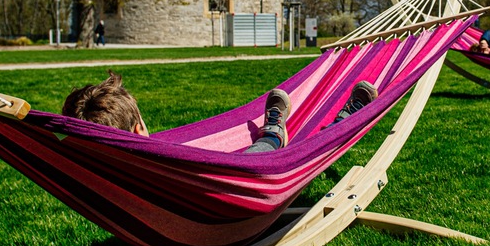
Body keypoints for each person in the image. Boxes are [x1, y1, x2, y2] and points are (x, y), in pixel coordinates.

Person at [63, 71, 379, 153]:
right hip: (227, 206)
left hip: (159, 225)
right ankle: (277, 132)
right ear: (137, 131)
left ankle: (334, 125)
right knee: (256, 156)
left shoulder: (88, 166)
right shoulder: (153, 161)